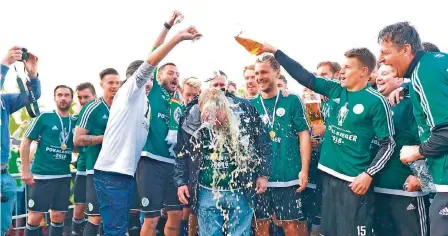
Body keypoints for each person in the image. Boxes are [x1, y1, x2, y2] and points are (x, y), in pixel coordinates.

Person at [258, 44, 396, 235]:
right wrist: (275, 52)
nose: (342, 71)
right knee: (328, 231)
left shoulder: (376, 101)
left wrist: (369, 174)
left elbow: (388, 144)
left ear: (364, 71)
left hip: (353, 181)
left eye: (348, 67)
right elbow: (305, 77)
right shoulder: (335, 89)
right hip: (327, 175)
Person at [93, 26, 201, 236]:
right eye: (170, 73)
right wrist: (175, 34)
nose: (148, 82)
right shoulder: (130, 93)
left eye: (178, 74)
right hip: (116, 172)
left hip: (127, 173)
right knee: (120, 228)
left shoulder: (147, 105)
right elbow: (152, 58)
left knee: (120, 228)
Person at [378, 21, 448, 236]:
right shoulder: (436, 62)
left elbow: (445, 132)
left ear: (406, 49)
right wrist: (407, 87)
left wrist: (415, 151)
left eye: (385, 52)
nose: (381, 59)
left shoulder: (423, 74)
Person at [174, 87, 272, 236]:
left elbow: (264, 144)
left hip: (241, 190)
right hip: (207, 191)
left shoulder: (244, 116)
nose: (212, 121)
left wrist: (264, 175)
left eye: (217, 115)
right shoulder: (191, 121)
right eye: (207, 116)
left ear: (225, 108)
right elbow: (182, 153)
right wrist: (181, 182)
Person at [251, 55, 311, 236]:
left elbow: (304, 134)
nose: (259, 77)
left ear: (277, 72)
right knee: (261, 227)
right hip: (261, 177)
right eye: (256, 73)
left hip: (288, 174)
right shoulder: (251, 104)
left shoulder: (292, 100)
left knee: (291, 227)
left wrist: (304, 170)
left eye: (264, 72)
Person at [373, 64, 430, 235]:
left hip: (406, 191)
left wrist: (422, 177)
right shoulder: (376, 105)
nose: (379, 77)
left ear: (399, 78)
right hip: (378, 190)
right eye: (378, 74)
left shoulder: (410, 105)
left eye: (385, 73)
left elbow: (430, 141)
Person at [20, 85, 77, 236]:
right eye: (60, 95)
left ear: (72, 99)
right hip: (42, 176)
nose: (63, 98)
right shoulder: (44, 117)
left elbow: (76, 147)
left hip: (63, 176)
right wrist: (26, 170)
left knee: (59, 216)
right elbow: (25, 142)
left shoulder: (75, 121)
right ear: (55, 98)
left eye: (66, 95)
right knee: (34, 217)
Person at [74, 68, 121, 236]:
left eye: (117, 82)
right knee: (96, 217)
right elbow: (77, 139)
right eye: (110, 83)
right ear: (102, 85)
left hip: (119, 170)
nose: (115, 86)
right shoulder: (92, 108)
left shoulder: (123, 107)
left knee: (116, 216)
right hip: (96, 170)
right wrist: (104, 138)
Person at [1, 46, 41, 235]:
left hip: (4, 175)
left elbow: (30, 98)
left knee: (3, 226)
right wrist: (5, 63)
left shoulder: (4, 102)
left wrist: (32, 76)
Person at [71, 82, 97, 236]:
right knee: (79, 205)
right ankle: (75, 232)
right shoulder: (76, 118)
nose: (82, 101)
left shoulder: (105, 112)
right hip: (82, 167)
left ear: (95, 96)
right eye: (80, 97)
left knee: (99, 210)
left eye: (86, 97)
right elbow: (73, 145)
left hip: (100, 168)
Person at [178, 76, 201, 236]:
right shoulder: (177, 110)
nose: (191, 98)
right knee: (176, 213)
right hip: (174, 166)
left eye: (195, 95)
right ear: (181, 92)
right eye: (188, 94)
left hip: (193, 168)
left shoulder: (200, 112)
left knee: (193, 209)